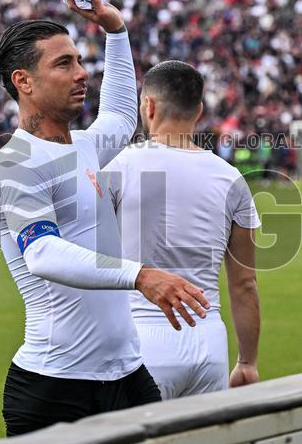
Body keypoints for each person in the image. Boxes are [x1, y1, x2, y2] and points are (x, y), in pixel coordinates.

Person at [0, 0, 210, 436]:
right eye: (63, 64)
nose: (81, 73)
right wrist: (141, 275)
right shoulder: (17, 162)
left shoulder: (83, 145)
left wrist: (115, 31)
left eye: (79, 60)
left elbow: (123, 113)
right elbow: (43, 254)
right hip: (54, 386)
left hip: (126, 375)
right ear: (23, 82)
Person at [103, 61, 261, 399]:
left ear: (148, 105)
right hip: (208, 341)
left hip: (141, 338)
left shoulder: (122, 165)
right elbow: (245, 284)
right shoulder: (230, 177)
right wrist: (247, 361)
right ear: (199, 110)